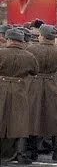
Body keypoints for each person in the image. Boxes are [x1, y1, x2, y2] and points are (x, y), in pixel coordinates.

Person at [26, 24, 57, 161]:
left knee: (32, 116)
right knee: (54, 117)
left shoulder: (32, 49)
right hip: (51, 84)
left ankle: (32, 151)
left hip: (34, 83)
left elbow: (28, 66)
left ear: (42, 36)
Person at [0, 28, 39, 164]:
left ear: (9, 39)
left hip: (2, 87)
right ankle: (21, 154)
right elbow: (35, 71)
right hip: (20, 89)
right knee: (20, 121)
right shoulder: (29, 56)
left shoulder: (1, 53)